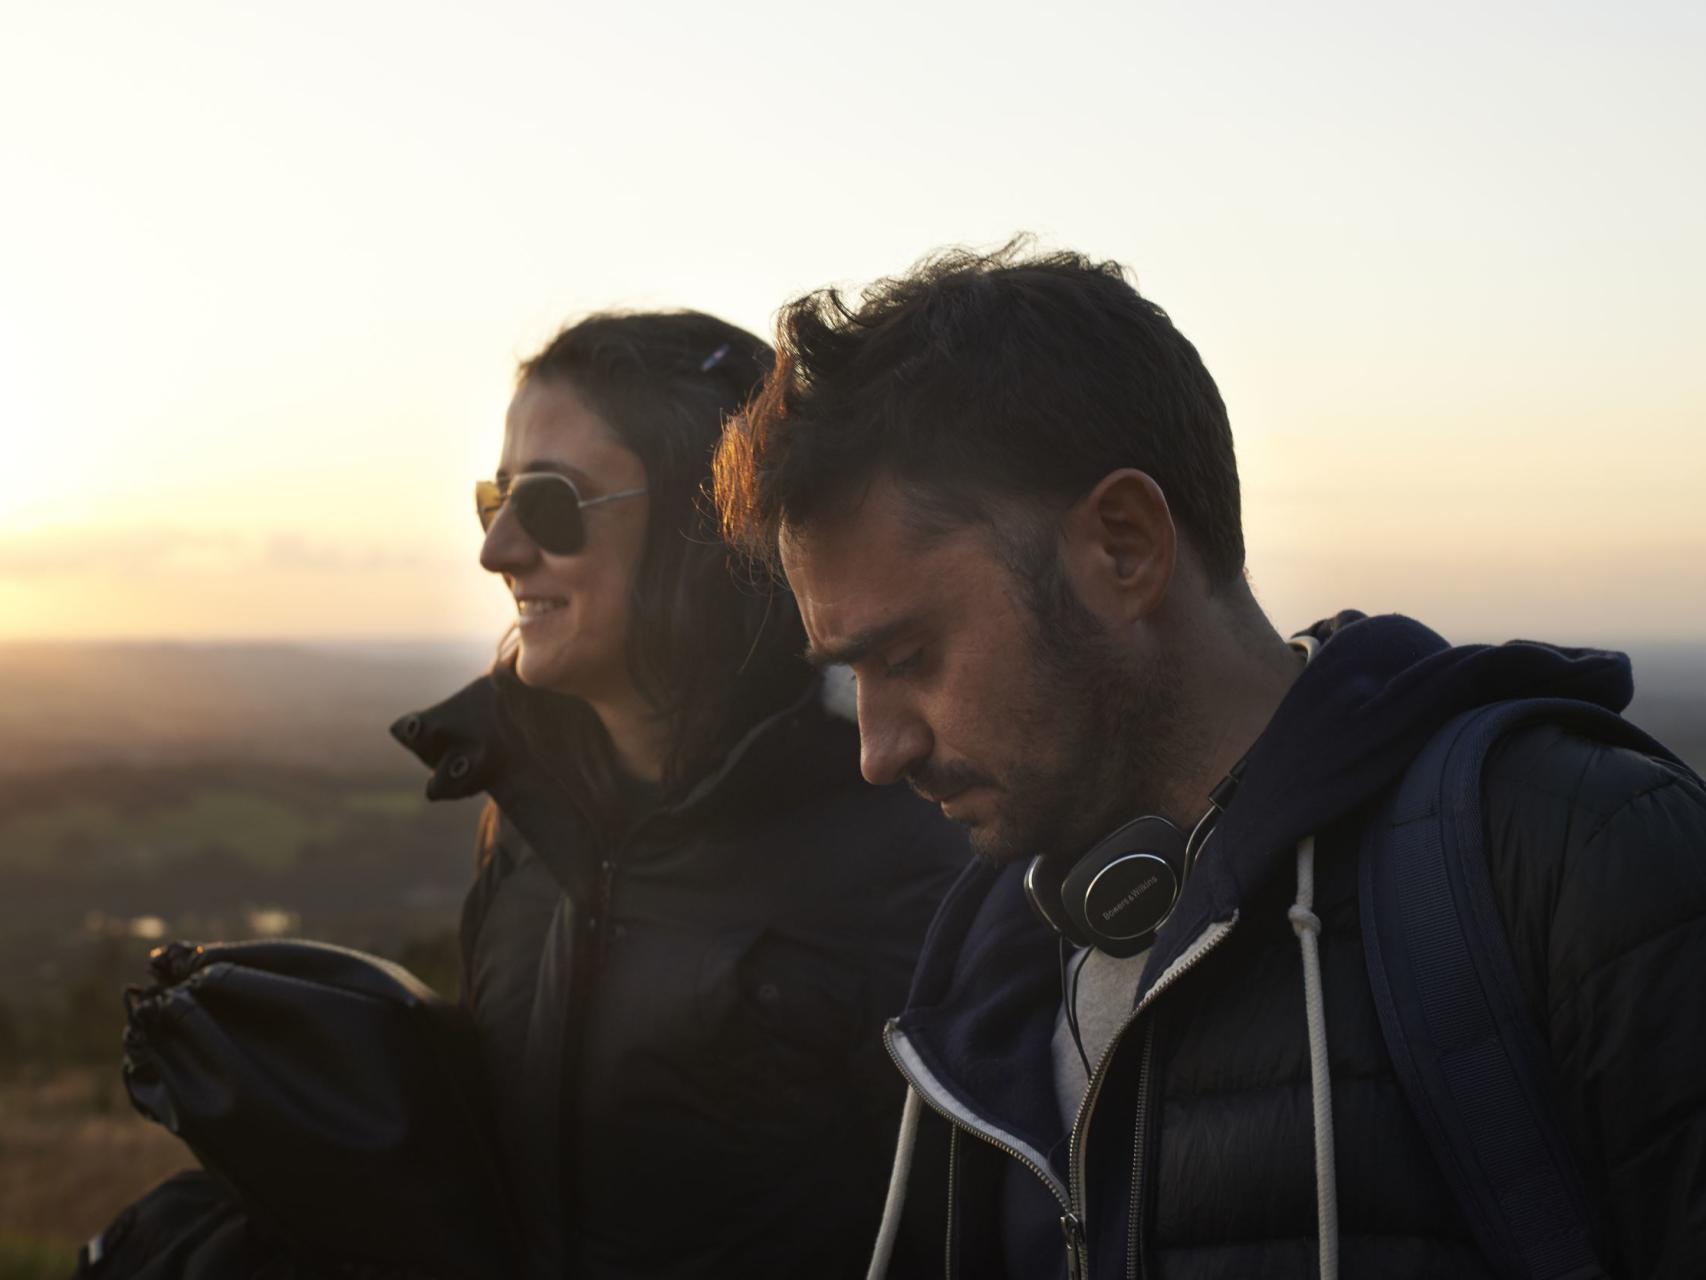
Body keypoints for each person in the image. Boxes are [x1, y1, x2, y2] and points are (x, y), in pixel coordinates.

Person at [712, 243, 1706, 1279]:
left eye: (909, 656)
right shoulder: (988, 958)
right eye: (850, 675)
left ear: (1124, 546)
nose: (879, 750)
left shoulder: (1572, 856)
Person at [392, 311, 967, 1278]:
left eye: (549, 501)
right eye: (496, 496)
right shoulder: (528, 825)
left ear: (712, 525)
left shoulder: (910, 848)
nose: (498, 550)